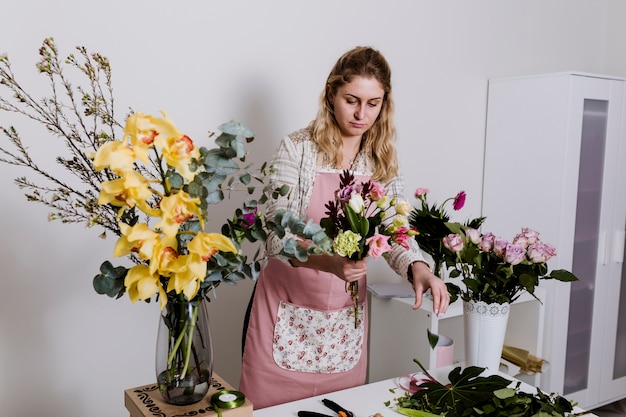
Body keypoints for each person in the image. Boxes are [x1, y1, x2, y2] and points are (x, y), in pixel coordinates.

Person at [239, 46, 450, 409]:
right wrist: (330, 264)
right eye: (352, 100)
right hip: (283, 315)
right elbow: (276, 236)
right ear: (330, 94)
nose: (361, 114)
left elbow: (397, 231)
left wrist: (419, 268)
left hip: (342, 328)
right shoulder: (296, 149)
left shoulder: (382, 158)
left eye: (373, 103)